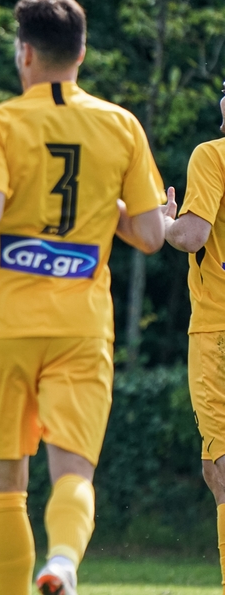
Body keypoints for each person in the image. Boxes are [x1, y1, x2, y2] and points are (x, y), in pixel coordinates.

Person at [0, 0, 166, 594]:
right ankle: (61, 562)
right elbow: (151, 235)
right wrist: (105, 206)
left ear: (24, 53)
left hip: (5, 324)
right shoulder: (121, 125)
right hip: (81, 324)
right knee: (73, 470)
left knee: (6, 480)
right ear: (81, 54)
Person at [161, 84, 225, 594]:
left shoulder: (213, 154)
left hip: (219, 329)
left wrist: (164, 223)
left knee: (223, 467)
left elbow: (191, 236)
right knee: (213, 466)